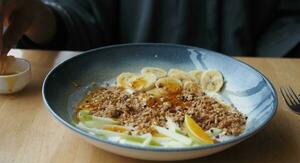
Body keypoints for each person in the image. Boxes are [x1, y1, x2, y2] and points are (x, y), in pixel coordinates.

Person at [0, 0, 300, 56]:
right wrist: (40, 17)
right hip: (124, 133)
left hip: (252, 127)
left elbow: (287, 18)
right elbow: (84, 20)